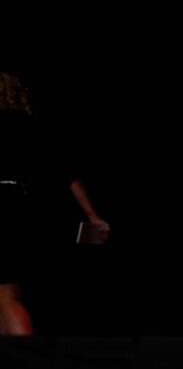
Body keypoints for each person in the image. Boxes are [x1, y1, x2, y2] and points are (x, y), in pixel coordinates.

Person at [0, 72, 111, 336]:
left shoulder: (22, 126)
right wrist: (92, 215)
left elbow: (64, 170)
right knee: (6, 293)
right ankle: (12, 367)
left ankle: (24, 362)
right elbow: (66, 172)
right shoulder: (28, 126)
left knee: (5, 293)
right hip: (19, 210)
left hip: (5, 207)